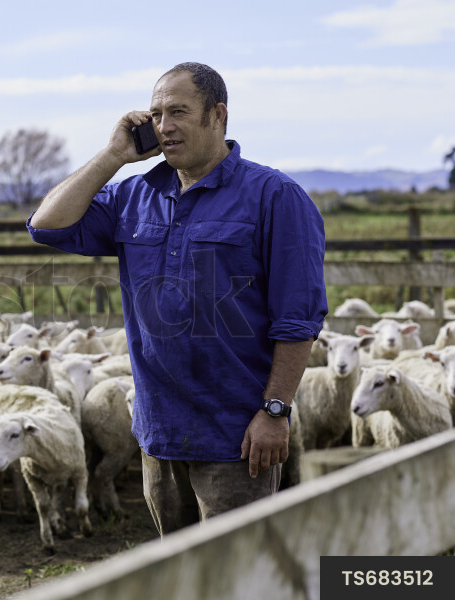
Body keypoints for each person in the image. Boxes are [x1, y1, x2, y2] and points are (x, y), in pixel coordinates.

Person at [26, 62, 327, 536]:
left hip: (237, 436)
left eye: (179, 112)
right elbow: (47, 225)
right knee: (180, 572)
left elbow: (298, 320)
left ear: (217, 115)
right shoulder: (135, 196)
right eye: (156, 114)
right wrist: (112, 156)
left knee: (233, 575)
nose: (164, 126)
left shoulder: (275, 198)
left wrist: (274, 412)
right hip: (159, 432)